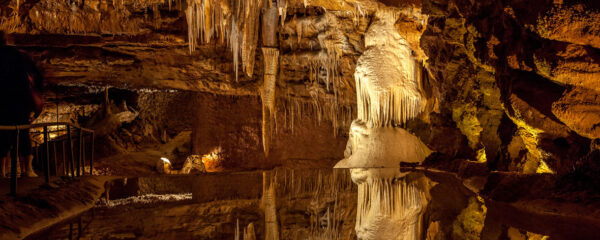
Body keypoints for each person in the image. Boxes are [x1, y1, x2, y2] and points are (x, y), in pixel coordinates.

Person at [0, 31, 44, 177]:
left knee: (3, 136)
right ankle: (28, 170)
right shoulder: (20, 56)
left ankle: (1, 171)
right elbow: (36, 76)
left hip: (3, 102)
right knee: (23, 134)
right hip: (20, 101)